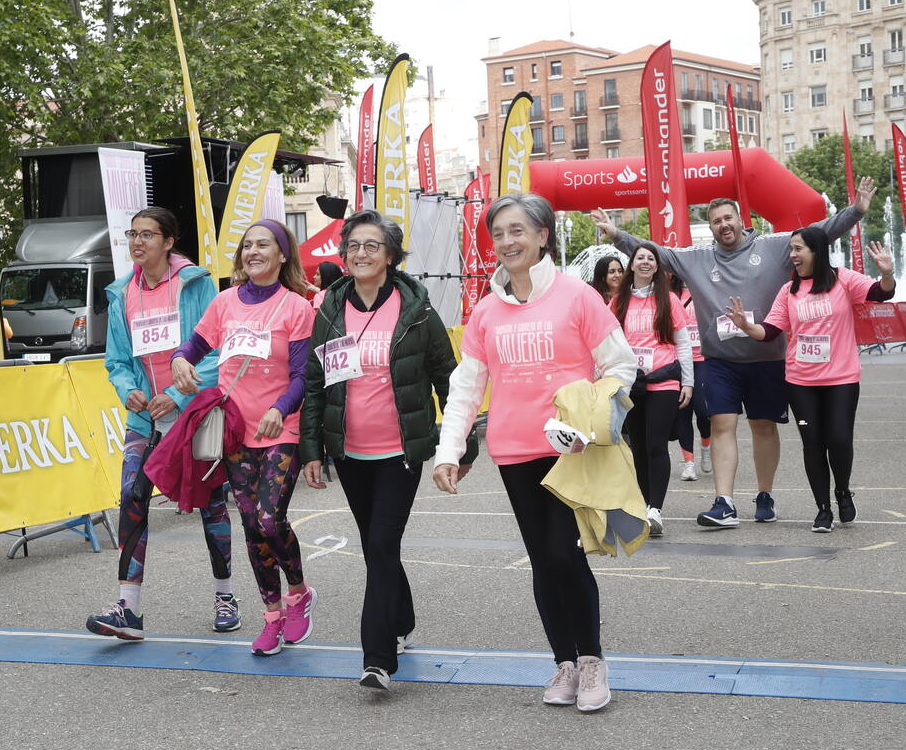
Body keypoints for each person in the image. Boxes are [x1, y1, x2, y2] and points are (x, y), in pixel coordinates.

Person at [433, 193, 637, 712]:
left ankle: (591, 660)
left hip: (571, 450)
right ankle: (563, 663)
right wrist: (448, 451)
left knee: (565, 554)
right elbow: (465, 386)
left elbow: (621, 364)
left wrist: (596, 414)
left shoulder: (576, 297)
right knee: (542, 561)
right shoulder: (485, 311)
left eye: (518, 230)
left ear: (543, 235)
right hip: (514, 450)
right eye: (499, 233)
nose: (507, 242)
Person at [592, 176, 876, 528]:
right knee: (723, 423)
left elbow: (820, 234)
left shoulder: (774, 247)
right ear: (709, 227)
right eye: (716, 221)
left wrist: (856, 212)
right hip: (720, 361)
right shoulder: (696, 258)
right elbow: (652, 253)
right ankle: (724, 502)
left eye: (729, 218)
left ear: (741, 219)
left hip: (766, 357)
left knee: (762, 426)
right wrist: (616, 234)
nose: (724, 225)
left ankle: (764, 495)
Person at [300, 209, 476, 692]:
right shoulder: (329, 310)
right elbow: (316, 384)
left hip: (400, 453)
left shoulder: (416, 310)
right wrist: (311, 448)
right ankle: (401, 616)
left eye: (371, 245)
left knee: (380, 546)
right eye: (353, 245)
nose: (360, 253)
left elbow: (449, 377)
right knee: (378, 548)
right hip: (350, 454)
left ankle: (377, 658)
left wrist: (459, 446)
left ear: (392, 256)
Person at [85, 206, 236, 640]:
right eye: (132, 235)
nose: (137, 243)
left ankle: (225, 595)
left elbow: (218, 352)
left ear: (168, 242)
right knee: (132, 495)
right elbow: (116, 360)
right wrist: (128, 389)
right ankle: (128, 608)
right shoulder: (121, 294)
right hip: (143, 417)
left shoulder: (195, 284)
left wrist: (175, 395)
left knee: (210, 504)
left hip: (192, 415)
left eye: (147, 235)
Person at [173, 219, 316, 656]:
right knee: (252, 526)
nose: (253, 251)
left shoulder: (297, 307)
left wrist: (279, 408)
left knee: (271, 519)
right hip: (234, 430)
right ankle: (271, 616)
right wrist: (180, 361)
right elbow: (192, 348)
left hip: (280, 429)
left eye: (264, 245)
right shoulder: (224, 303)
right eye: (247, 245)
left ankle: (299, 594)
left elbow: (302, 374)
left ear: (282, 254)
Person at [724, 235, 895, 532]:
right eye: (791, 249)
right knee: (812, 442)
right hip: (801, 382)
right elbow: (770, 330)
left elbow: (881, 293)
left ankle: (842, 491)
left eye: (798, 249)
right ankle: (823, 509)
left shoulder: (843, 280)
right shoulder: (788, 291)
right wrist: (746, 326)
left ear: (816, 251)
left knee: (839, 440)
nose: (792, 254)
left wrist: (887, 273)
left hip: (841, 379)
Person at [609, 243, 693, 536]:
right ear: (631, 265)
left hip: (665, 381)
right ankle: (644, 506)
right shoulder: (618, 301)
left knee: (657, 445)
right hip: (632, 384)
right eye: (640, 257)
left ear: (657, 267)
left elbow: (683, 344)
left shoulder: (668, 299)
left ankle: (655, 509)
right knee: (639, 448)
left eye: (651, 259)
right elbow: (609, 341)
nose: (645, 262)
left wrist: (689, 382)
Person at [669, 272, 711, 481]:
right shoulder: (670, 295)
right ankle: (689, 463)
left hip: (703, 359)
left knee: (703, 410)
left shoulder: (704, 293)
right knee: (682, 411)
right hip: (680, 360)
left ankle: (706, 447)